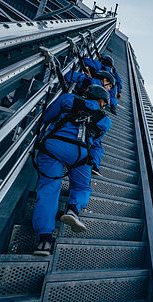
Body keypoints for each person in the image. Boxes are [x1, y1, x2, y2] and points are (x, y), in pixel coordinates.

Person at [32, 85, 111, 256]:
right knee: (82, 187)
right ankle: (73, 210)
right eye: (104, 102)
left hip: (54, 146)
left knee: (49, 188)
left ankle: (44, 240)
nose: (104, 106)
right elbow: (96, 142)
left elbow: (47, 117)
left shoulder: (68, 98)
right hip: (80, 154)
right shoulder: (105, 120)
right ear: (100, 100)